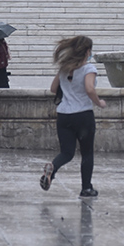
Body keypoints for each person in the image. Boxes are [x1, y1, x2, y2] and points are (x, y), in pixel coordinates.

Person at [40, 35, 106, 198]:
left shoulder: (64, 67)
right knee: (87, 153)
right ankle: (86, 188)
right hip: (82, 115)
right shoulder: (89, 69)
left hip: (64, 115)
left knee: (67, 152)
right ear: (87, 51)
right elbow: (90, 89)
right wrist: (98, 102)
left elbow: (53, 88)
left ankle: (52, 169)